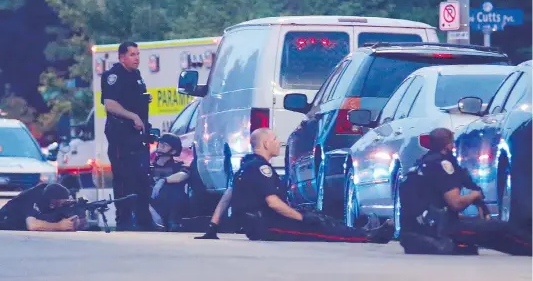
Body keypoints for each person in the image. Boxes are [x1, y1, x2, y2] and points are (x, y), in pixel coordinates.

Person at [195, 128, 395, 243]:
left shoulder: (247, 166)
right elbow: (273, 202)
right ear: (265, 144)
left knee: (319, 218)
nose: (279, 143)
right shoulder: (259, 168)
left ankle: (363, 231)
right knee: (319, 229)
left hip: (264, 222)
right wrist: (301, 218)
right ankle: (368, 237)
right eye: (274, 139)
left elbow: (228, 195)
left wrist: (213, 227)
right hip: (267, 225)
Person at [399, 128, 532, 256]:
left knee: (479, 225)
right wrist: (474, 195)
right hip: (439, 231)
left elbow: (432, 206)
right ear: (448, 145)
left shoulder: (420, 165)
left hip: (418, 231)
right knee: (499, 229)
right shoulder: (443, 165)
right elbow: (455, 203)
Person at [101, 41, 153, 231]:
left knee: (142, 178)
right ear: (122, 57)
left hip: (138, 136)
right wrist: (132, 116)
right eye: (132, 55)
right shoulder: (113, 76)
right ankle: (123, 220)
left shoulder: (136, 76)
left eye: (138, 54)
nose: (136, 58)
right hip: (120, 136)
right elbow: (110, 104)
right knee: (124, 178)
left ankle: (144, 220)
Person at [0, 183, 84, 232]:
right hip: (7, 217)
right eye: (60, 203)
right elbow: (33, 225)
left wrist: (76, 220)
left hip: (20, 224)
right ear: (52, 202)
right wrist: (59, 226)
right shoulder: (34, 197)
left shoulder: (56, 194)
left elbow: (79, 223)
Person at [149, 133, 191, 232]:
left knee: (175, 191)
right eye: (160, 143)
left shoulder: (177, 166)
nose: (161, 146)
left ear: (174, 150)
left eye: (165, 145)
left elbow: (184, 174)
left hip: (169, 206)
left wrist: (163, 181)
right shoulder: (149, 167)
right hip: (152, 207)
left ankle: (174, 223)